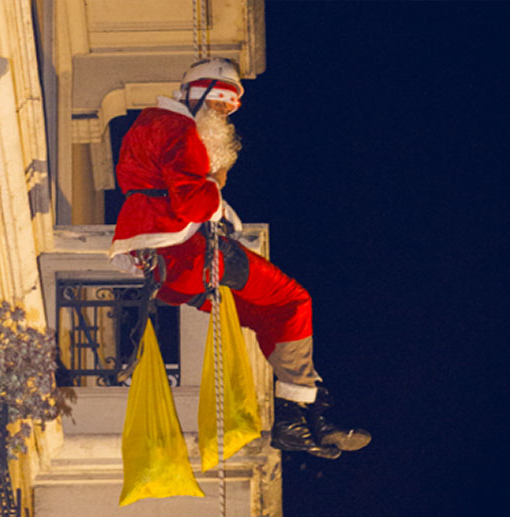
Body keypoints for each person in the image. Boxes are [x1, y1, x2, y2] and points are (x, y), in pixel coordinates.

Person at [108, 57, 369, 459]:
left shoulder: (145, 126)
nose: (224, 116)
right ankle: (302, 413)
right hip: (193, 254)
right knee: (293, 299)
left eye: (229, 111)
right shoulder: (175, 128)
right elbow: (193, 201)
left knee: (271, 317)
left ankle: (305, 418)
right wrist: (218, 194)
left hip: (168, 274)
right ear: (198, 92)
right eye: (219, 106)